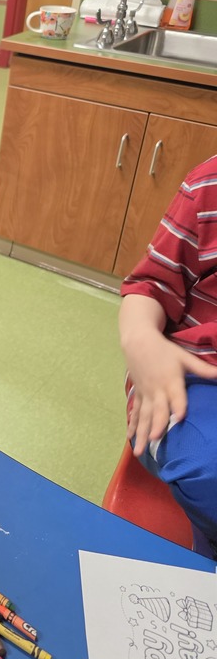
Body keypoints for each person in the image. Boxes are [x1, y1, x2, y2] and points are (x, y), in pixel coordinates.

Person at [119, 154, 217, 556]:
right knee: (208, 471)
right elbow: (150, 286)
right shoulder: (209, 186)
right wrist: (141, 338)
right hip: (193, 380)